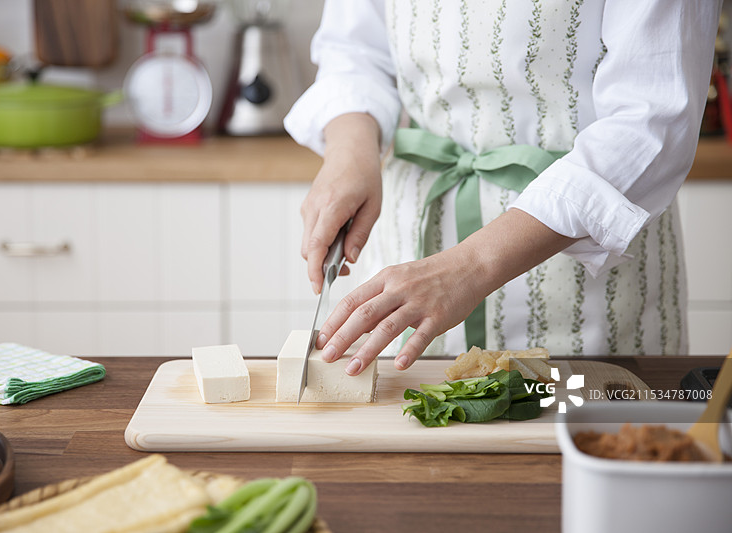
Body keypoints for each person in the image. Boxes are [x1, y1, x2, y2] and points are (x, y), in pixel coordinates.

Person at [284, 0, 722, 377]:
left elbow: (649, 121)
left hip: (590, 289)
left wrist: (470, 265)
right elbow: (354, 50)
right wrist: (350, 151)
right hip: (411, 236)